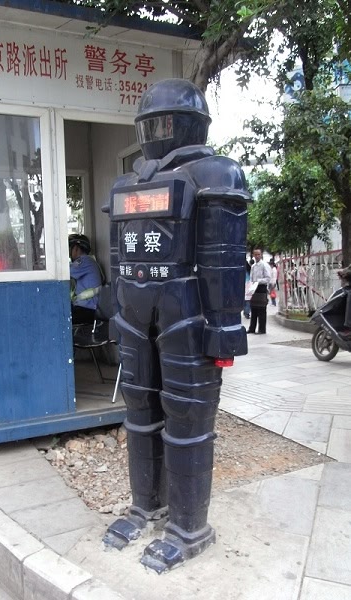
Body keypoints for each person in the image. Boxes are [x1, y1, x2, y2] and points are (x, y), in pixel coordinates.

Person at [103, 78, 251, 571]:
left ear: (190, 125)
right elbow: (119, 257)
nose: (157, 132)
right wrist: (116, 311)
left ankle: (188, 528)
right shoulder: (127, 185)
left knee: (188, 421)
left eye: (164, 123)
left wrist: (224, 329)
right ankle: (146, 506)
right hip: (135, 318)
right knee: (139, 410)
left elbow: (225, 260)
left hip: (188, 319)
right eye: (151, 124)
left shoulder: (216, 174)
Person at [69, 233, 103, 325]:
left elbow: (64, 273)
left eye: (71, 248)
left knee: (60, 316)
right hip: (87, 308)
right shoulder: (89, 260)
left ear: (76, 248)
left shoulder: (84, 261)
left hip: (87, 309)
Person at [247, 249, 271, 334]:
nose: (257, 256)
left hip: (261, 287)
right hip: (254, 288)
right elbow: (251, 278)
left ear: (261, 255)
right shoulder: (253, 266)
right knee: (253, 309)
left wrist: (258, 281)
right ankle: (252, 328)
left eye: (258, 254)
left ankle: (262, 329)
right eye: (255, 254)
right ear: (253, 255)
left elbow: (268, 278)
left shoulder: (264, 265)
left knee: (261, 309)